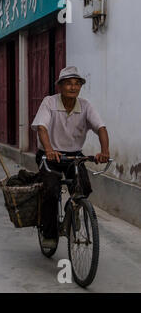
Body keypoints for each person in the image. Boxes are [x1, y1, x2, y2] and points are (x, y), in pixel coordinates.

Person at [31, 66, 110, 248]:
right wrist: (49, 149)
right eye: (68, 84)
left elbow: (101, 128)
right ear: (60, 86)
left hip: (74, 156)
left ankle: (74, 210)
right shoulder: (49, 102)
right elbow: (42, 127)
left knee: (84, 188)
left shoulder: (85, 106)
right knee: (50, 190)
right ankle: (49, 234)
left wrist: (104, 151)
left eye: (77, 84)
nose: (73, 87)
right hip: (49, 156)